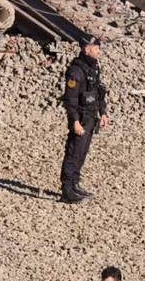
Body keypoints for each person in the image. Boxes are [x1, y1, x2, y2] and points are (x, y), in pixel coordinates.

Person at [60, 36, 107, 203]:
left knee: (81, 153)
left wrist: (103, 113)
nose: (99, 50)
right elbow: (70, 99)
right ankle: (67, 190)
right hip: (80, 118)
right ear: (86, 49)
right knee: (73, 152)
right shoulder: (76, 71)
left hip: (90, 117)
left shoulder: (93, 68)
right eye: (96, 47)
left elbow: (99, 92)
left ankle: (75, 184)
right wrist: (74, 121)